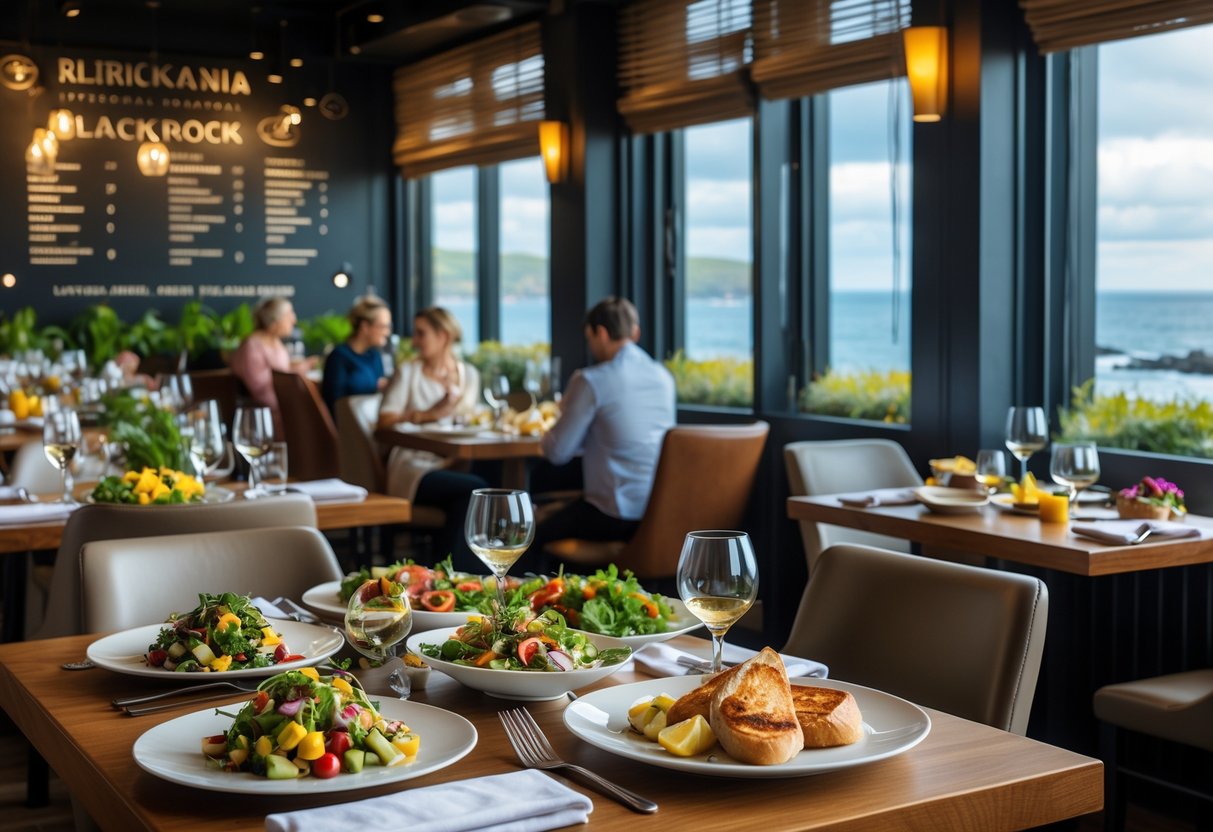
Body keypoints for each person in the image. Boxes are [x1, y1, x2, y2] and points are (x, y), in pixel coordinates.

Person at [527, 297, 676, 572]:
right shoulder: (663, 378)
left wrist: (562, 416)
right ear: (635, 332)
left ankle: (525, 609)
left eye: (590, 338)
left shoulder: (591, 380)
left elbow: (556, 453)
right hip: (655, 514)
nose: (591, 346)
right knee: (557, 505)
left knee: (525, 535)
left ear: (602, 333)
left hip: (613, 516)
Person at [378, 306, 487, 570]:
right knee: (475, 491)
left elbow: (473, 417)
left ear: (444, 336)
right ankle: (450, 574)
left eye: (421, 333)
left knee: (488, 484)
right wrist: (429, 414)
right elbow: (383, 422)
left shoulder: (469, 375)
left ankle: (463, 573)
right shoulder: (409, 373)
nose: (414, 341)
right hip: (414, 465)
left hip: (455, 460)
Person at [228, 296, 317, 411]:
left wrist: (301, 367)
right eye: (289, 314)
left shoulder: (274, 341)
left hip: (282, 404)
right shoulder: (253, 345)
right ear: (275, 319)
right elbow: (259, 388)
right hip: (266, 411)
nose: (294, 319)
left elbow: (278, 372)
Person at [321, 296, 392, 414]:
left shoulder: (374, 355)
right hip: (347, 425)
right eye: (383, 326)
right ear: (365, 327)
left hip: (369, 418)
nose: (387, 332)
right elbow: (334, 404)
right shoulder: (339, 357)